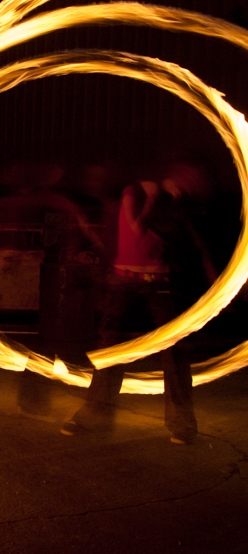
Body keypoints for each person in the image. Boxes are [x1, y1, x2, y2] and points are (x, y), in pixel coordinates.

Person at [61, 165, 216, 444]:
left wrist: (212, 274)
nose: (192, 184)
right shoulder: (135, 192)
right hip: (125, 282)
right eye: (188, 178)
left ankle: (182, 424)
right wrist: (155, 199)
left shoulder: (178, 204)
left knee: (174, 354)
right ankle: (93, 415)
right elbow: (136, 227)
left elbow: (190, 242)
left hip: (162, 284)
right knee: (112, 352)